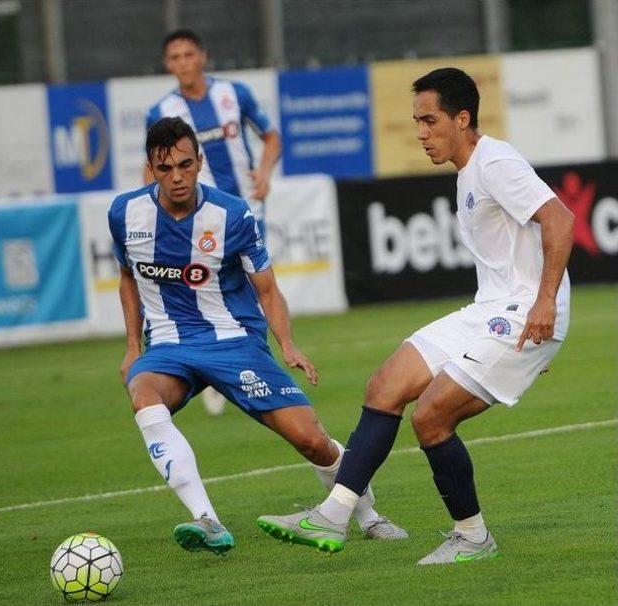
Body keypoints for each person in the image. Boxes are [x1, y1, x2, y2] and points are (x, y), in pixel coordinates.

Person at [257, 68, 575, 564]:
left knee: (430, 418)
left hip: (519, 312)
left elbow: (560, 217)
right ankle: (333, 516)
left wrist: (544, 306)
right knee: (385, 384)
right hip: (494, 310)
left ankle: (472, 537)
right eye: (416, 122)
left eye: (429, 121)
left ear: (462, 117)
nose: (421, 133)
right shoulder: (469, 171)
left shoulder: (495, 162)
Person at [109, 117, 406, 556]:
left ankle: (368, 516)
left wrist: (287, 344)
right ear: (150, 168)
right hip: (170, 345)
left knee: (310, 438)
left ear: (199, 162)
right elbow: (128, 279)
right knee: (144, 395)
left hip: (235, 342)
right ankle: (206, 520)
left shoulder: (231, 214)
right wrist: (134, 348)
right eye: (165, 168)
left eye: (185, 165)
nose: (177, 177)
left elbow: (267, 287)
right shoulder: (124, 212)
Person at [145, 28, 282, 416]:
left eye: (189, 54)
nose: (184, 63)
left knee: (254, 288)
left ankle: (247, 364)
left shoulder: (234, 94)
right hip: (195, 222)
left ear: (202, 56)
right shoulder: (161, 112)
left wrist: (265, 172)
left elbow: (270, 136)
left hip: (245, 211)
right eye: (175, 58)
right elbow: (151, 168)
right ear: (168, 64)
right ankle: (215, 367)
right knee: (204, 290)